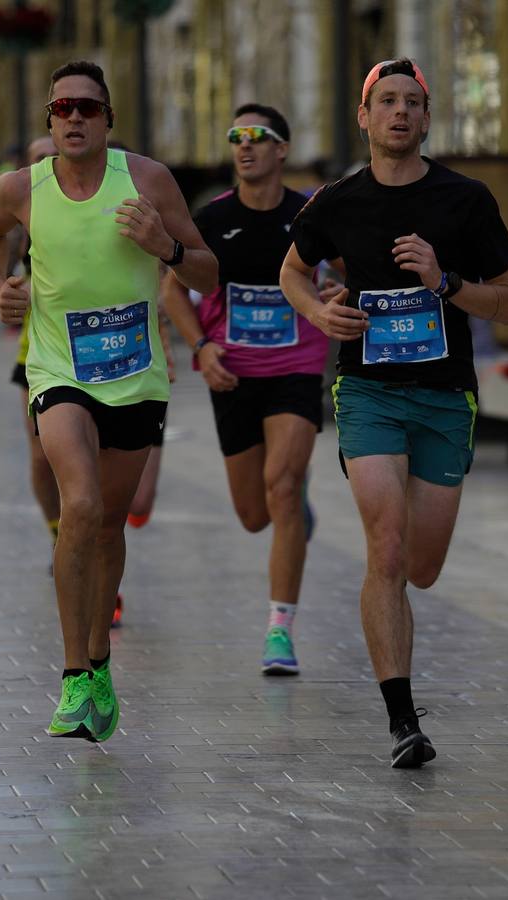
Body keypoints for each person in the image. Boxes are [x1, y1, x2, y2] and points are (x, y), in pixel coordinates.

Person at [281, 59, 508, 768]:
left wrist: (444, 281)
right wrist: (321, 311)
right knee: (384, 548)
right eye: (386, 101)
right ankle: (402, 720)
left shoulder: (466, 200)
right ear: (364, 116)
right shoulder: (336, 202)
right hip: (368, 392)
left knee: (422, 565)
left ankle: (403, 681)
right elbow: (292, 270)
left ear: (427, 116)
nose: (399, 113)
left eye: (413, 102)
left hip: (446, 397)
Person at [0, 60, 217, 741]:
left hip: (136, 378)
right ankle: (74, 674)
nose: (74, 117)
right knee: (78, 505)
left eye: (87, 107)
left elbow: (206, 268)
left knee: (109, 524)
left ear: (108, 119)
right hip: (58, 371)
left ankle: (101, 664)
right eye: (62, 108)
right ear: (50, 121)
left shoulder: (148, 181)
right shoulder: (22, 188)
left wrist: (163, 245)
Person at [162, 103, 337, 677]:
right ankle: (291, 502)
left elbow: (349, 270)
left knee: (282, 490)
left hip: (295, 367)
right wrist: (202, 347)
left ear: (281, 149)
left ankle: (279, 631)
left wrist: (336, 296)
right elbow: (172, 294)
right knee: (254, 514)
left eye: (258, 137)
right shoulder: (211, 218)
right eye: (236, 137)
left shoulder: (310, 213)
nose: (245, 146)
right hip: (231, 373)